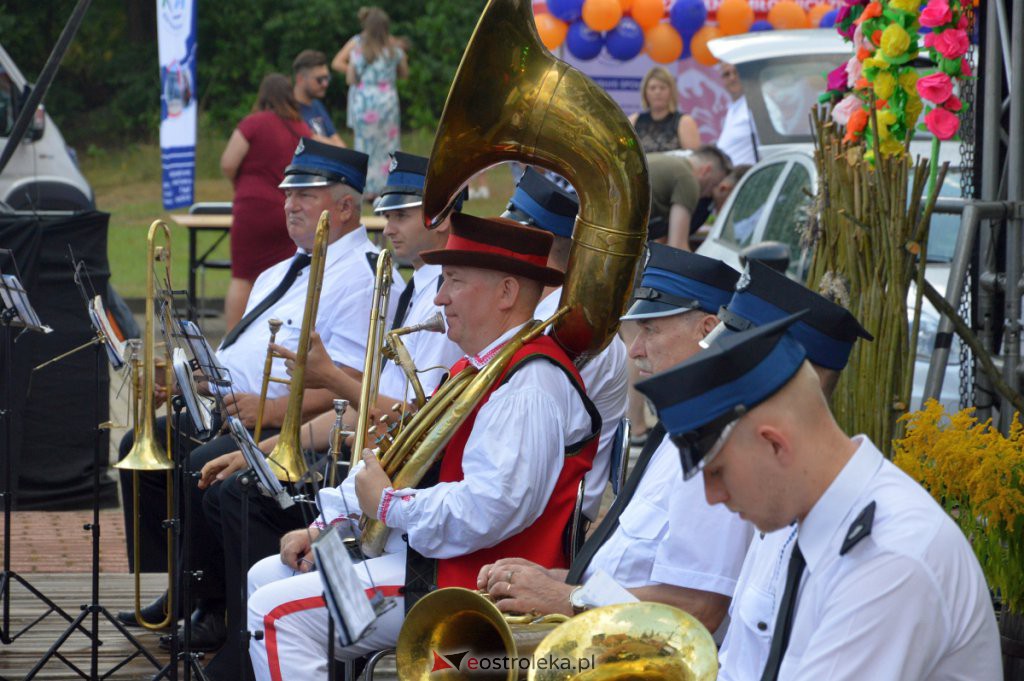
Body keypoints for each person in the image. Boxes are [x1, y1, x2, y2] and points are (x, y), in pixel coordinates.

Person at [246, 215, 602, 680]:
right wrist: (326, 527)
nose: (439, 297)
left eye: (454, 280)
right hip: (432, 565)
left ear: (507, 293)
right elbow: (394, 463)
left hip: (467, 586)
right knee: (267, 577)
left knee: (276, 612)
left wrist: (389, 506)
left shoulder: (528, 384)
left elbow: (491, 507)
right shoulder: (478, 370)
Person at [192, 151, 461, 680]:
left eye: (402, 215)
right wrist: (266, 452)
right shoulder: (421, 291)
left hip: (416, 546)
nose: (388, 228)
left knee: (250, 508)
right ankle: (253, 642)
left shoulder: (444, 310)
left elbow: (411, 425)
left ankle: (256, 655)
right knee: (256, 518)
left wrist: (329, 378)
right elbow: (368, 418)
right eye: (387, 214)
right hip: (378, 500)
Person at [116, 139, 395, 648]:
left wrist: (270, 409)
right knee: (140, 446)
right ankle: (183, 584)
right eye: (288, 194)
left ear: (345, 207)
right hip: (236, 408)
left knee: (200, 464)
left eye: (305, 195)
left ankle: (215, 608)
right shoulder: (282, 268)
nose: (289, 204)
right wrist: (197, 377)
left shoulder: (361, 274)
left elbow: (354, 380)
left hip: (286, 423)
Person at [637, 316, 1002, 680]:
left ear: (774, 444)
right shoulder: (808, 518)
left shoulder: (888, 557)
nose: (713, 497)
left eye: (717, 472)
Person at [477, 245, 751, 637]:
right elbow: (633, 570)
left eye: (651, 330)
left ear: (707, 331)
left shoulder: (716, 444)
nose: (635, 350)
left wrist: (566, 597)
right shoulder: (682, 432)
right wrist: (550, 580)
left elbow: (699, 609)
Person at [500, 167, 627, 521]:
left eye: (509, 238)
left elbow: (525, 447)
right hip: (527, 500)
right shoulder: (540, 315)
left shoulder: (572, 329)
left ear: (535, 246)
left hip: (549, 517)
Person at [219, 73, 313, 329]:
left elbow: (228, 162)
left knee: (243, 277)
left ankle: (232, 338)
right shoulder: (303, 130)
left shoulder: (253, 123)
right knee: (284, 278)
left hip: (252, 208)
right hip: (288, 210)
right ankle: (273, 335)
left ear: (263, 96)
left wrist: (240, 183)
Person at [342, 6, 408, 200]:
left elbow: (350, 78)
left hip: (365, 102)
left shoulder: (359, 50)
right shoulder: (394, 51)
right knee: (389, 145)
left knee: (364, 145)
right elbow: (404, 73)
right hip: (388, 101)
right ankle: (387, 186)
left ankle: (366, 188)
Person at [647, 146, 732, 251]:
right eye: (714, 185)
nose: (709, 195)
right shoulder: (688, 181)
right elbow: (677, 247)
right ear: (706, 170)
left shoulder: (669, 160)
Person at [629, 66, 700, 153]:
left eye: (662, 87)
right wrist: (630, 143)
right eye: (652, 88)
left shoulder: (685, 122)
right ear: (645, 92)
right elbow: (628, 148)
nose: (657, 92)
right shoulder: (634, 121)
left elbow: (693, 158)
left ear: (671, 92)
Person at [291, 50, 345, 147]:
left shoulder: (316, 104)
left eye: (327, 78)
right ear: (300, 79)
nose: (325, 84)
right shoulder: (288, 110)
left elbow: (338, 142)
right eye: (320, 80)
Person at [715, 62, 758, 166]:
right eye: (726, 74)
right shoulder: (733, 108)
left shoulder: (756, 104)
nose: (732, 78)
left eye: (736, 72)